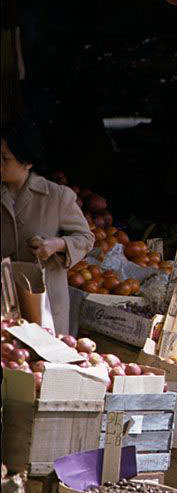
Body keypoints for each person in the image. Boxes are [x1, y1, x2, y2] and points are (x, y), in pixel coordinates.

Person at [1, 121, 94, 335]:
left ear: (27, 162)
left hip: (46, 301)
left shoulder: (57, 196)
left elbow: (86, 238)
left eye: (5, 158)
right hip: (4, 301)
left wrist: (58, 244)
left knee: (42, 359)